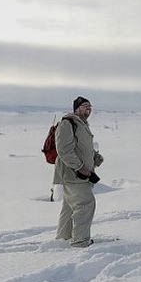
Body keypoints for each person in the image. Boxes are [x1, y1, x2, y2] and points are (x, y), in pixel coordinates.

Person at [53, 96, 104, 247]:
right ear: (76, 108)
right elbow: (64, 150)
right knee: (85, 203)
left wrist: (94, 157)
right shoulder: (67, 123)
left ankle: (64, 238)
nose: (88, 109)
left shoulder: (81, 124)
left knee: (70, 206)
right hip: (74, 173)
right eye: (85, 106)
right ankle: (80, 241)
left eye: (90, 107)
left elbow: (81, 147)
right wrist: (80, 167)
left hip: (81, 172)